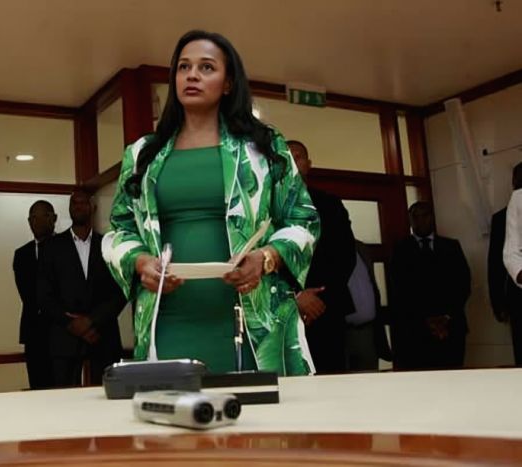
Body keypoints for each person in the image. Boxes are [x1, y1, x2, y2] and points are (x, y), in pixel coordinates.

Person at [102, 30, 320, 375]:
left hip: (254, 319)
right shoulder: (143, 153)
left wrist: (266, 258)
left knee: (260, 410)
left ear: (228, 83)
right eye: (184, 67)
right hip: (168, 318)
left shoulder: (263, 147)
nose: (192, 75)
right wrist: (140, 262)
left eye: (206, 67)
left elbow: (302, 219)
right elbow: (120, 229)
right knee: (171, 406)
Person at [39, 190, 126, 387]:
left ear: (93, 207)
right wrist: (72, 324)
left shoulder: (108, 245)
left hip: (103, 335)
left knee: (107, 395)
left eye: (83, 202)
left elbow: (120, 292)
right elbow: (44, 296)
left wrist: (91, 320)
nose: (78, 206)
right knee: (63, 399)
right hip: (64, 337)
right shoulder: (51, 247)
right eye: (74, 203)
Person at [287, 140, 356, 374]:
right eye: (287, 156)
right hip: (283, 309)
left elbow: (345, 256)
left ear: (309, 164)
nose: (293, 161)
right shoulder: (266, 206)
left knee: (332, 377)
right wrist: (296, 296)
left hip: (327, 307)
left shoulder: (330, 204)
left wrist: (317, 298)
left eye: (298, 157)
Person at [390, 201, 471, 370]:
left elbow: (463, 285)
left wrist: (446, 316)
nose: (420, 220)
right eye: (415, 217)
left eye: (424, 215)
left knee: (454, 376)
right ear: (410, 220)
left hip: (451, 326)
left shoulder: (451, 247)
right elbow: (399, 291)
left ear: (432, 217)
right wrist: (426, 320)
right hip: (415, 331)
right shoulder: (400, 250)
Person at [13, 200, 57, 389]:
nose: (38, 222)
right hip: (33, 332)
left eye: (44, 216)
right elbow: (27, 295)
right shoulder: (22, 254)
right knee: (37, 386)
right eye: (33, 218)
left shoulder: (67, 247)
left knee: (63, 389)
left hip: (62, 331)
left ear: (54, 218)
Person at [488, 162, 522, 365]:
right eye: (518, 179)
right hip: (517, 295)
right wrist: (498, 303)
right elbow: (495, 263)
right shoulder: (501, 217)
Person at [345, 240, 392, 372]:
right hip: (340, 334)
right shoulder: (317, 248)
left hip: (367, 332)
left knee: (369, 377)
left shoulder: (360, 248)